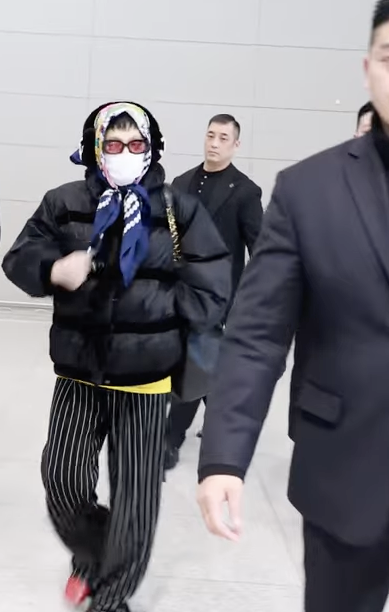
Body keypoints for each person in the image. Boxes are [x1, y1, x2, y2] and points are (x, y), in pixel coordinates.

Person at [197, 0, 389, 610]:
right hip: (345, 469)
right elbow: (256, 335)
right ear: (367, 69)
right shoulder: (308, 188)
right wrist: (224, 457)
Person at [2, 101, 231, 612]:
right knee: (62, 480)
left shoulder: (177, 209)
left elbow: (213, 283)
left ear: (151, 149)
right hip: (79, 370)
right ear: (95, 148)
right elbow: (18, 257)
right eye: (113, 143)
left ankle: (111, 595)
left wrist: (159, 310)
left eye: (135, 144)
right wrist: (52, 270)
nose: (125, 153)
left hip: (147, 377)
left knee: (135, 497)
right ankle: (95, 552)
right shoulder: (63, 202)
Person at [164, 114, 263, 470]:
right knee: (198, 365)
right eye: (210, 135)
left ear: (236, 145)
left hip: (217, 296)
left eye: (223, 138)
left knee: (195, 363)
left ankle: (170, 439)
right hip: (179, 291)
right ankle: (225, 424)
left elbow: (259, 249)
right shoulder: (180, 183)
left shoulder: (245, 191)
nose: (215, 143)